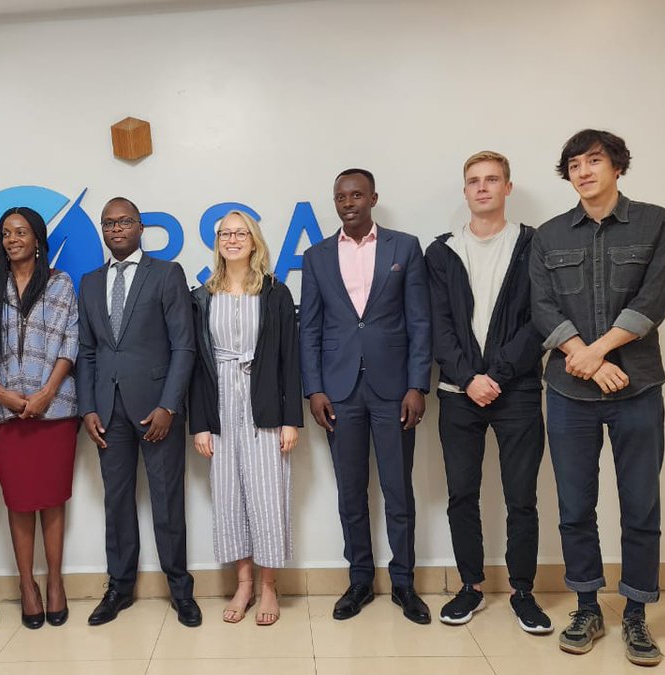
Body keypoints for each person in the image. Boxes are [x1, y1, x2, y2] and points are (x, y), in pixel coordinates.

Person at [530, 129, 665, 667]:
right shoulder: (548, 236)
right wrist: (583, 358)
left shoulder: (657, 223)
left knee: (640, 505)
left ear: (618, 167)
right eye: (574, 164)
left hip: (636, 384)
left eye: (595, 161)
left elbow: (654, 297)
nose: (584, 171)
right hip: (569, 389)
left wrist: (600, 353)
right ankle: (587, 606)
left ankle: (636, 615)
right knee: (575, 506)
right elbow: (541, 306)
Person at [299, 168, 432, 624]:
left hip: (395, 391)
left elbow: (419, 322)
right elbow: (309, 329)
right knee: (350, 492)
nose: (348, 202)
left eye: (357, 195)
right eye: (341, 197)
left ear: (374, 197)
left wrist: (417, 385)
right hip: (339, 393)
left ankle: (404, 584)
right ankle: (359, 581)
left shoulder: (405, 248)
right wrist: (314, 388)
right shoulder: (316, 256)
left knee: (398, 491)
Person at [424, 152, 550, 633]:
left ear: (508, 187)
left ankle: (523, 592)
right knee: (463, 494)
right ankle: (471, 587)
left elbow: (540, 317)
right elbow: (437, 325)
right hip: (459, 393)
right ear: (464, 191)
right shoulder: (442, 251)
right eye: (474, 181)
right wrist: (469, 377)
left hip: (515, 391)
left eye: (492, 180)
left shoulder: (533, 245)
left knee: (521, 498)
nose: (482, 188)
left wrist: (495, 374)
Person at [76, 196, 201, 628]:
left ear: (140, 226)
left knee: (168, 502)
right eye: (108, 223)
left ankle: (181, 591)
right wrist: (88, 407)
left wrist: (169, 404)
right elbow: (87, 352)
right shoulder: (89, 282)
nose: (116, 229)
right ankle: (119, 589)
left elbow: (184, 345)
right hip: (108, 411)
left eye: (124, 221)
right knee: (117, 503)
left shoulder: (166, 274)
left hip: (156, 409)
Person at [0, 206, 79, 630]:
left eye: (21, 232)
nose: (13, 239)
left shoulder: (61, 284)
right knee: (19, 501)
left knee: (51, 499)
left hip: (56, 410)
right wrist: (0, 393)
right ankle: (27, 585)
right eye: (6, 233)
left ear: (38, 239)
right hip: (2, 412)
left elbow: (70, 342)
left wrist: (46, 393)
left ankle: (55, 584)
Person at [188, 211, 301, 626]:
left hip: (265, 406)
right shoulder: (203, 295)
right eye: (225, 234)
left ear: (254, 241)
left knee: (268, 496)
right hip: (219, 407)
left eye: (241, 233)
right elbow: (196, 366)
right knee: (229, 496)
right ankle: (244, 583)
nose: (233, 239)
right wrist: (199, 423)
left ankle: (269, 584)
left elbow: (291, 359)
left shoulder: (275, 292)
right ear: (217, 242)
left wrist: (291, 419)